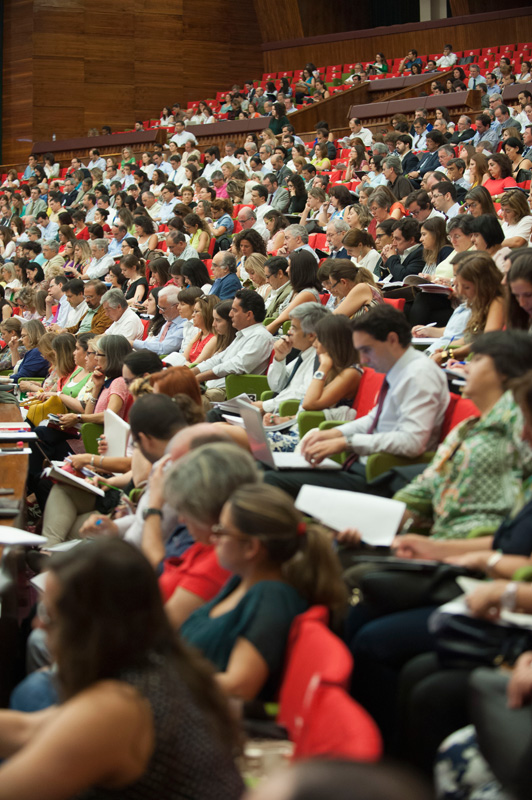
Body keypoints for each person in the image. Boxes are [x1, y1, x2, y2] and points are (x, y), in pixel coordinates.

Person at [0, 538, 244, 799]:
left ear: (90, 627)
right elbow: (31, 729)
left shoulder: (118, 707)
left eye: (49, 614)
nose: (38, 624)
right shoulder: (158, 667)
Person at [179, 483, 346, 701]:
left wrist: (165, 679)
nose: (213, 538)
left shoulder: (272, 597)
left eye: (222, 530)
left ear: (251, 548)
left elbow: (240, 686)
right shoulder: (241, 581)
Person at [264, 305, 449, 497]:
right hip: (363, 465)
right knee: (265, 466)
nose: (363, 358)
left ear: (392, 340)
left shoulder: (419, 374)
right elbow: (374, 419)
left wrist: (346, 442)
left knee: (270, 478)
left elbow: (412, 442)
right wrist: (334, 433)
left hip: (382, 475)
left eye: (367, 349)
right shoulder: (398, 368)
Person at [191, 289, 273, 401]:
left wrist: (197, 378)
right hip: (216, 389)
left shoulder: (260, 337)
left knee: (185, 400)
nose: (230, 314)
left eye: (234, 310)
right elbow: (217, 360)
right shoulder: (243, 335)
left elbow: (234, 366)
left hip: (231, 393)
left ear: (248, 315)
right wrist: (190, 373)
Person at [430, 252, 505, 366]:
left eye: (467, 287)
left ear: (483, 284)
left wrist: (448, 354)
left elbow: (488, 341)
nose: (461, 292)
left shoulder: (498, 301)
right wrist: (445, 350)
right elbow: (467, 340)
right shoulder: (479, 302)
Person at [266, 250, 322, 334]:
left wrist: (259, 337)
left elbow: (278, 321)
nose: (287, 270)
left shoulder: (307, 294)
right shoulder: (294, 290)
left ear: (299, 270)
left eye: (289, 266)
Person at [132, 285, 185, 355]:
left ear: (176, 306)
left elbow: (163, 349)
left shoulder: (184, 325)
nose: (160, 312)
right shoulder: (168, 322)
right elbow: (155, 343)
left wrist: (133, 343)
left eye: (163, 308)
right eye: (159, 307)